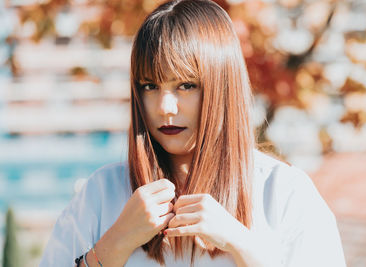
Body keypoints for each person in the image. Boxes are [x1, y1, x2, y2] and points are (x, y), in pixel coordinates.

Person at [40, 0, 346, 266]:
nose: (165, 107)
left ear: (222, 87)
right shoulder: (101, 194)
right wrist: (116, 242)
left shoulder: (283, 193)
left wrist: (241, 243)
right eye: (150, 86)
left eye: (186, 85)